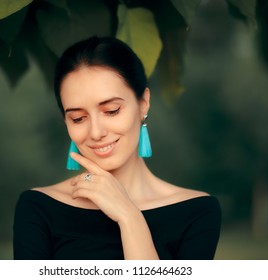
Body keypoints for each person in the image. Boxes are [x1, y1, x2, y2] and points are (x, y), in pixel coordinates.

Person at [13, 36, 221, 260]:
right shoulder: (38, 208)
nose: (95, 132)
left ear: (143, 104)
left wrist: (129, 216)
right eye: (78, 118)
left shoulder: (197, 212)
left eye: (111, 111)